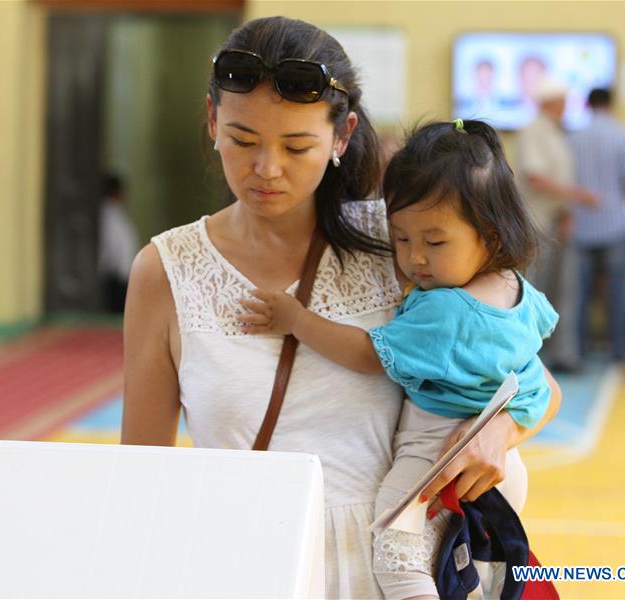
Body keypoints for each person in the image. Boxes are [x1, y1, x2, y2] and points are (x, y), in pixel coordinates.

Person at [121, 17, 560, 598]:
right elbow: (141, 478)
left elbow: (538, 385)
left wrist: (496, 435)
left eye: (296, 145)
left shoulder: (402, 246)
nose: (266, 169)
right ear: (211, 123)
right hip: (244, 565)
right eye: (242, 139)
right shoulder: (166, 270)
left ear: (342, 136)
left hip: (397, 569)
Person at [240, 119, 557, 599]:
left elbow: (369, 353)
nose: (414, 259)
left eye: (434, 242)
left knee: (396, 557)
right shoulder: (517, 289)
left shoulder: (444, 311)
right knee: (462, 573)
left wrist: (297, 320)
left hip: (436, 454)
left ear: (489, 237)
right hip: (505, 466)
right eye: (402, 239)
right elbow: (542, 340)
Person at [515, 77, 597, 372]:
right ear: (550, 103)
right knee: (533, 290)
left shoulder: (555, 133)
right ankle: (526, 358)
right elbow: (534, 177)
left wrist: (566, 213)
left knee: (563, 289)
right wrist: (579, 196)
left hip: (554, 222)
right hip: (536, 225)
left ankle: (562, 355)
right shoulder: (533, 132)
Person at [569, 88, 625, 361]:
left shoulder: (573, 138)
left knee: (579, 294)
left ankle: (578, 351)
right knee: (619, 292)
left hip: (581, 226)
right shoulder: (622, 135)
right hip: (616, 225)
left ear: (587, 105)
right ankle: (620, 350)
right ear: (612, 104)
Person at [97, 173, 139, 314]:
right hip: (115, 280)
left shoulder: (115, 214)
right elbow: (112, 249)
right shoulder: (108, 215)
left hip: (121, 278)